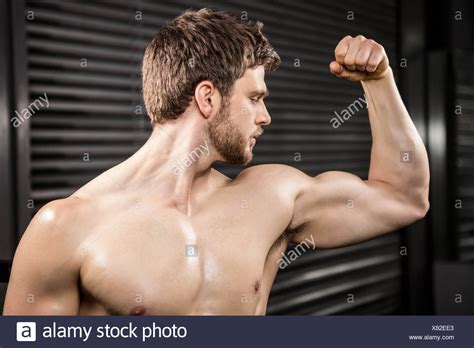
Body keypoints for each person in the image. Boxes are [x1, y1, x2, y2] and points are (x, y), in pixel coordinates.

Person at [3, 8, 429, 315]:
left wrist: (378, 82)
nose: (265, 116)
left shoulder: (271, 197)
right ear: (208, 98)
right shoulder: (65, 228)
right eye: (255, 98)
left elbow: (404, 197)